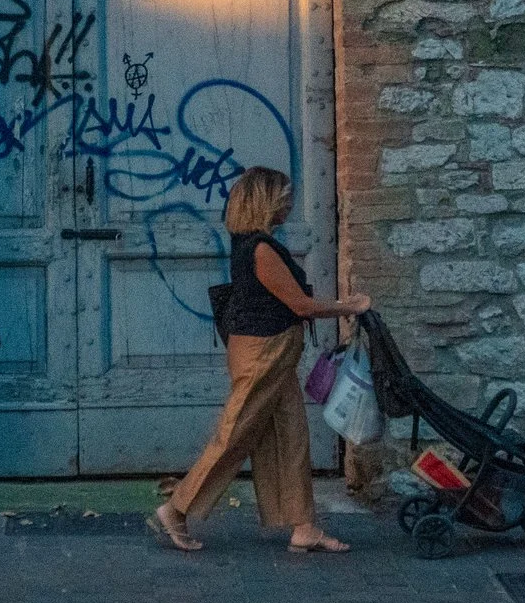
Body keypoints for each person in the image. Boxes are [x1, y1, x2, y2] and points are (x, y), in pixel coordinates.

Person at [152, 167, 369, 554]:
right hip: (263, 352)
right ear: (264, 201)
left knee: (290, 436)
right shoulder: (261, 249)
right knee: (234, 434)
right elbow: (299, 304)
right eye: (283, 197)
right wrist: (348, 306)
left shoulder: (252, 243)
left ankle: (303, 526)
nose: (289, 204)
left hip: (273, 349)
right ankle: (176, 508)